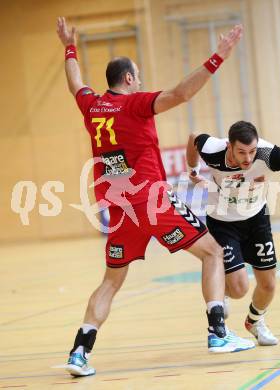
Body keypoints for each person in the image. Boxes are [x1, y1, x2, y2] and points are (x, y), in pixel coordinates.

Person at [56, 17, 254, 377]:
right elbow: (181, 93)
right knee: (212, 252)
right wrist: (218, 56)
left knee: (111, 281)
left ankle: (79, 353)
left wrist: (69, 46)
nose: (142, 81)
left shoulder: (92, 107)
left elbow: (75, 84)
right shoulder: (135, 104)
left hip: (116, 208)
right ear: (129, 79)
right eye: (139, 76)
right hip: (151, 199)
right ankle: (218, 333)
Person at [186, 120, 280, 346]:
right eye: (241, 152)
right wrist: (192, 169)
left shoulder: (268, 153)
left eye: (252, 151)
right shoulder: (212, 149)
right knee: (239, 288)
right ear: (229, 146)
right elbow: (193, 137)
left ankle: (255, 322)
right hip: (223, 221)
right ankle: (221, 293)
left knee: (268, 285)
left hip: (256, 219)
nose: (248, 158)